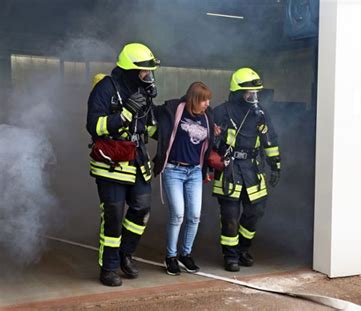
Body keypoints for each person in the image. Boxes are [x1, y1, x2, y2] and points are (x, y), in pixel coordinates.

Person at [86, 43, 160, 286]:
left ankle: (125, 254)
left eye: (150, 72)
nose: (148, 76)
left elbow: (148, 127)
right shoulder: (106, 88)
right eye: (144, 72)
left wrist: (170, 135)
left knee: (141, 209)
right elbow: (94, 126)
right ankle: (108, 269)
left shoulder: (143, 92)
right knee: (114, 216)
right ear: (130, 70)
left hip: (138, 159)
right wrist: (125, 113)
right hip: (113, 163)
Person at [212, 68, 281, 272]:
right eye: (249, 93)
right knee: (230, 216)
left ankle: (243, 248)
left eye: (256, 93)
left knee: (255, 211)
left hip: (253, 170)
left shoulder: (261, 114)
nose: (254, 96)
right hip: (230, 169)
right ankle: (230, 255)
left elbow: (271, 141)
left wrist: (275, 165)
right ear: (237, 92)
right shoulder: (221, 112)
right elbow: (208, 142)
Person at [152, 81, 215, 275]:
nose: (207, 104)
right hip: (174, 170)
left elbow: (209, 141)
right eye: (203, 100)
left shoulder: (207, 116)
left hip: (195, 171)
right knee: (178, 215)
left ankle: (185, 255)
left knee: (194, 216)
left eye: (208, 100)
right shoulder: (175, 109)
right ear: (194, 99)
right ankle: (171, 257)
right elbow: (154, 115)